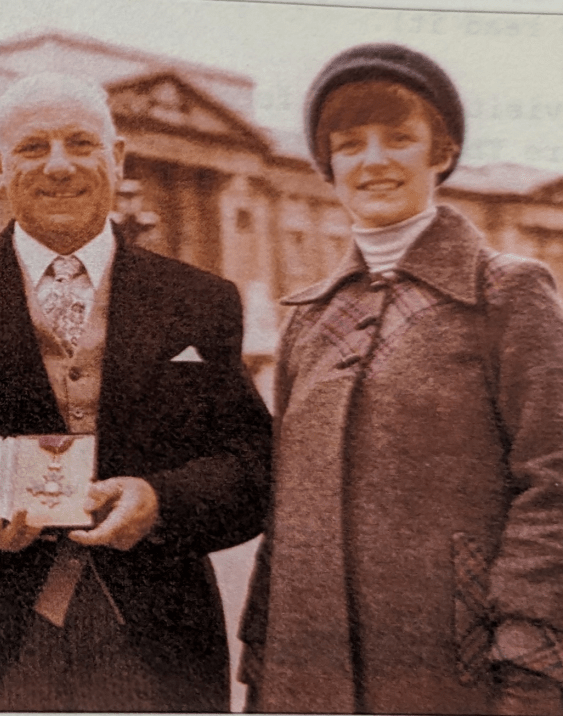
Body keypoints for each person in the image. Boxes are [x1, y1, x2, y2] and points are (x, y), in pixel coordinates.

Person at [0, 72, 272, 712]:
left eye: (80, 143)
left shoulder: (199, 301)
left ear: (117, 156)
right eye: (31, 147)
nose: (58, 166)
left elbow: (253, 466)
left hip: (160, 647)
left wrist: (161, 502)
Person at [239, 43, 563, 714]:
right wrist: (264, 667)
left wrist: (529, 667)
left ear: (439, 153)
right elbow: (284, 510)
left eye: (398, 138)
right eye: (349, 144)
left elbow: (552, 484)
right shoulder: (308, 318)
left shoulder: (507, 293)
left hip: (458, 674)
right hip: (307, 683)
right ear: (328, 166)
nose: (373, 160)